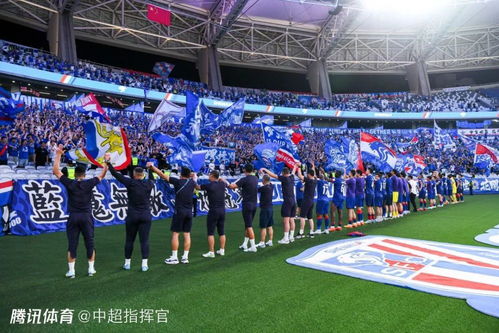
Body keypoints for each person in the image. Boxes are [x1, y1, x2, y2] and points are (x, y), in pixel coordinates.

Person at [52, 145, 108, 278]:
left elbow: (56, 171)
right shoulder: (89, 183)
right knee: (89, 241)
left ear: (75, 174)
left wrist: (59, 154)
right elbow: (102, 174)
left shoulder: (70, 183)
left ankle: (71, 271)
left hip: (73, 217)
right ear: (84, 175)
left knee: (72, 243)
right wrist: (106, 161)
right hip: (86, 217)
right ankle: (91, 269)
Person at [107, 159, 154, 272]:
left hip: (132, 215)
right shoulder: (148, 184)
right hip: (145, 215)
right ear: (143, 175)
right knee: (144, 240)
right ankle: (144, 265)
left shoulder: (130, 183)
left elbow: (115, 174)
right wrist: (150, 168)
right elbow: (152, 178)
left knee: (129, 240)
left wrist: (108, 163)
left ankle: (127, 263)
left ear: (134, 174)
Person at [149, 165, 197, 264]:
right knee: (187, 234)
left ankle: (174, 257)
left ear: (180, 174)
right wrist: (193, 175)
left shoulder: (177, 181)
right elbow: (194, 177)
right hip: (189, 212)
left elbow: (162, 175)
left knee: (175, 234)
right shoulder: (192, 182)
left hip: (179, 212)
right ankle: (185, 257)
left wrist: (152, 167)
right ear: (189, 175)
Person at [260, 164, 299, 244]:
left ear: (283, 173)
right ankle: (291, 237)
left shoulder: (284, 178)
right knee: (292, 220)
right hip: (293, 201)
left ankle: (285, 239)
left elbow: (273, 175)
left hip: (287, 201)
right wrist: (295, 165)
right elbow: (294, 170)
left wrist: (265, 169)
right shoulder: (292, 177)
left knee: (286, 220)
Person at [196, 170, 227, 258]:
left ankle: (211, 252)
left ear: (213, 176)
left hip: (213, 211)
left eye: (209, 175)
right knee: (222, 232)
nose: (208, 176)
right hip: (222, 211)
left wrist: (194, 178)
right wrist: (219, 177)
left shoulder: (209, 185)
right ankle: (222, 250)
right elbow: (223, 181)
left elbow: (197, 187)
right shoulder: (222, 184)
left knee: (210, 232)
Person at [229, 164, 258, 252]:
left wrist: (226, 183)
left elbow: (232, 186)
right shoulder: (255, 179)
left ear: (245, 170)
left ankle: (253, 246)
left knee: (249, 226)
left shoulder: (244, 179)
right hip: (254, 204)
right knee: (247, 225)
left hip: (247, 204)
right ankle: (245, 244)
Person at [296, 164, 317, 238]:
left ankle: (301, 232)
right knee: (310, 218)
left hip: (306, 201)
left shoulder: (308, 180)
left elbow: (299, 175)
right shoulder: (315, 180)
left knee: (302, 217)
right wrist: (313, 166)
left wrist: (298, 167)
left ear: (309, 174)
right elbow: (314, 174)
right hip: (311, 201)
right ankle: (311, 232)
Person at [256, 174, 274, 248]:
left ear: (264, 180)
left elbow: (256, 189)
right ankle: (270, 241)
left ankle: (262, 242)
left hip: (265, 209)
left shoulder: (263, 188)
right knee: (269, 226)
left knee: (263, 226)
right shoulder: (271, 186)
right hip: (270, 208)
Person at [315, 169, 330, 234]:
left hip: (321, 200)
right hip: (326, 199)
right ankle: (326, 229)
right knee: (326, 215)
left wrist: (312, 166)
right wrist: (323, 172)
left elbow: (314, 176)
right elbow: (325, 177)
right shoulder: (326, 182)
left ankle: (318, 229)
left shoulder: (319, 182)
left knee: (319, 215)